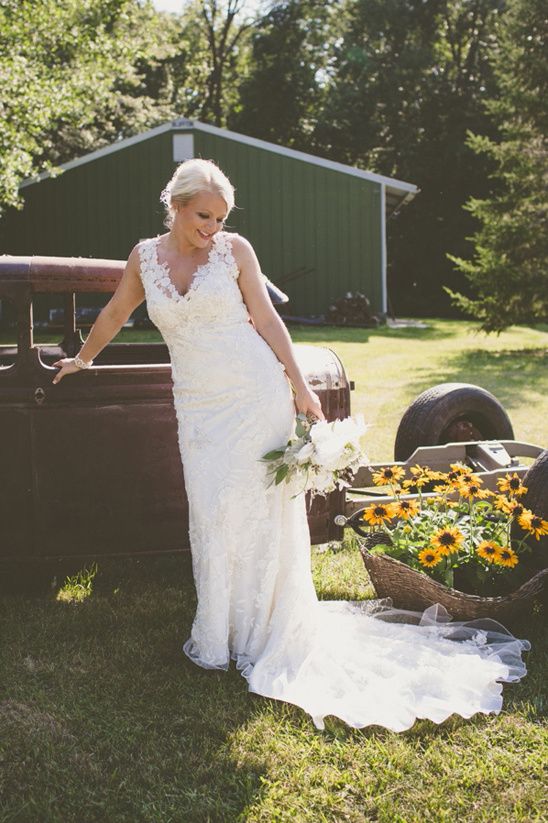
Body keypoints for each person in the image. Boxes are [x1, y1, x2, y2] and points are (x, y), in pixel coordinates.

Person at [53, 159, 529, 731]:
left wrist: (300, 386)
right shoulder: (143, 258)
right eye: (204, 216)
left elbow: (268, 322)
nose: (212, 227)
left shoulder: (234, 252)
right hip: (199, 408)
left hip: (254, 395)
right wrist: (81, 359)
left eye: (220, 217)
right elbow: (113, 312)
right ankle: (221, 628)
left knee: (257, 510)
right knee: (211, 509)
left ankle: (267, 627)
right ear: (175, 206)